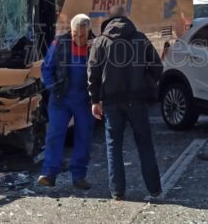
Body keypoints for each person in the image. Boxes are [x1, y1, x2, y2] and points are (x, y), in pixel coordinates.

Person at [88, 15, 163, 201]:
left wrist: (95, 101)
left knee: (113, 146)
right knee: (145, 145)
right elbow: (157, 67)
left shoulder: (101, 42)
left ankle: (117, 192)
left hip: (112, 102)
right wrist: (146, 85)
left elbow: (93, 73)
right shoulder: (140, 38)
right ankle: (154, 189)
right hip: (137, 101)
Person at [37, 14, 94, 190]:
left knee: (83, 137)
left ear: (89, 31)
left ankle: (79, 176)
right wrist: (52, 87)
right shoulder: (60, 43)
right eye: (75, 34)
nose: (78, 38)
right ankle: (49, 173)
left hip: (85, 99)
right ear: (71, 30)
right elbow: (46, 68)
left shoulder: (96, 45)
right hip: (61, 98)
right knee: (54, 135)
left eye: (82, 35)